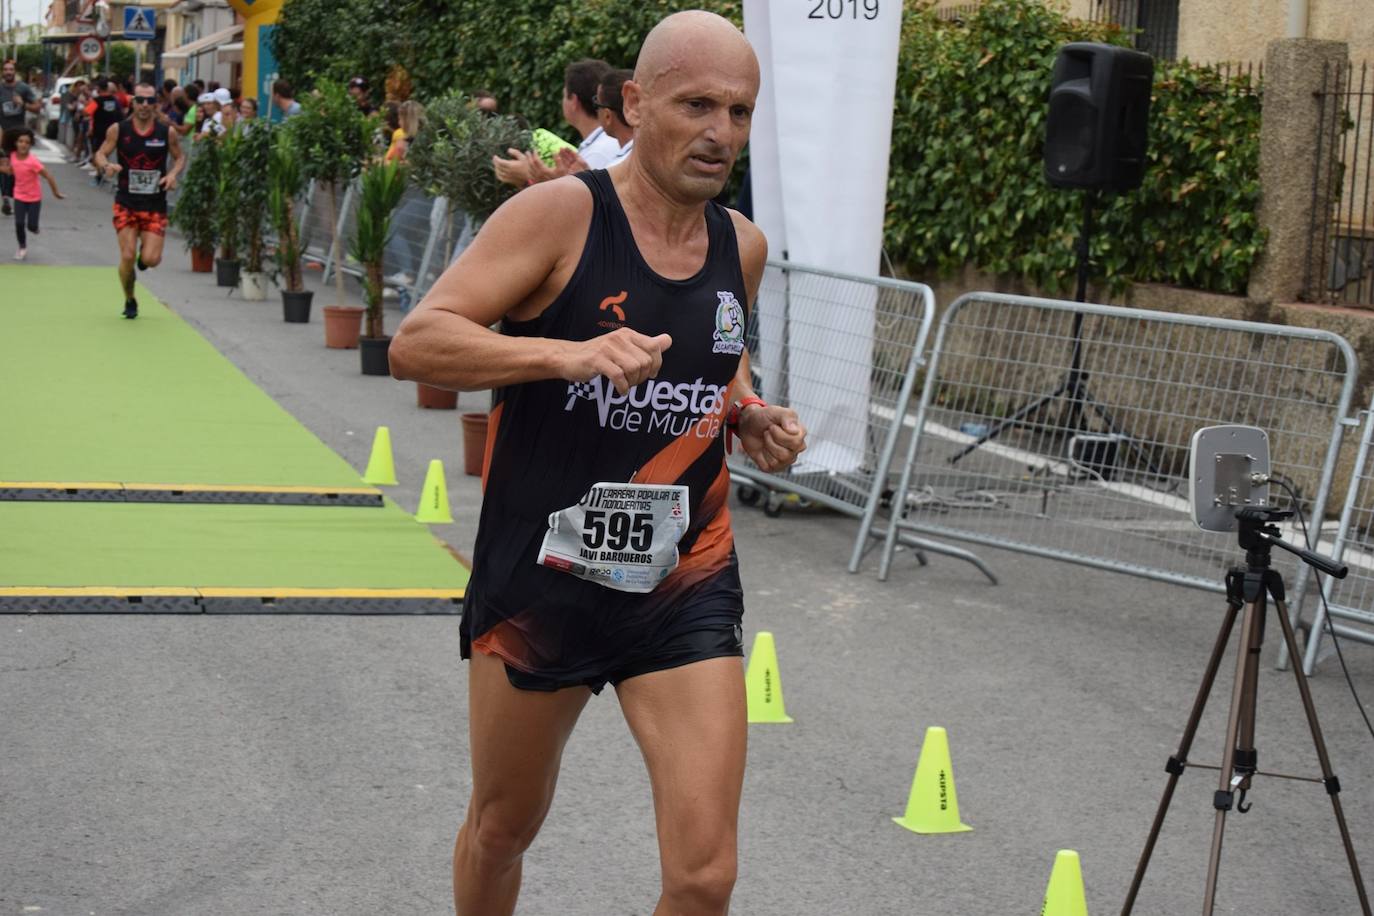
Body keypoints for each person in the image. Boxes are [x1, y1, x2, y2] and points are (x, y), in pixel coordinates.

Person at [389, 12, 806, 914]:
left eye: (739, 113)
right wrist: (563, 354)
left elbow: (714, 362)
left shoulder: (743, 245)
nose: (720, 133)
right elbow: (418, 342)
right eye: (698, 105)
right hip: (545, 580)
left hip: (683, 580)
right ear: (636, 102)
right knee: (503, 828)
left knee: (705, 876)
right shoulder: (559, 214)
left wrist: (748, 413)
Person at [93, 81, 185, 319]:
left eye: (150, 101)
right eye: (140, 100)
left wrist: (172, 175)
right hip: (126, 202)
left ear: (156, 104)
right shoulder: (119, 129)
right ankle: (130, 299)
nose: (145, 105)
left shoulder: (167, 132)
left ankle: (144, 258)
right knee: (126, 255)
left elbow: (179, 157)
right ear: (133, 102)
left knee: (151, 259)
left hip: (155, 205)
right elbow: (100, 153)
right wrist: (106, 165)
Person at [493, 59, 619, 187]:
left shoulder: (596, 153)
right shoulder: (602, 144)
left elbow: (580, 203)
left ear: (574, 101)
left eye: (564, 95)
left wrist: (530, 175)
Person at [0, 127, 64, 260]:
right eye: (20, 141)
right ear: (15, 143)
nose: (23, 144)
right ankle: (22, 247)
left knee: (31, 226)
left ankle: (35, 228)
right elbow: (11, 170)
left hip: (34, 198)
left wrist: (56, 192)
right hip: (19, 196)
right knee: (19, 223)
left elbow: (48, 176)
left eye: (27, 142)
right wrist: (4, 169)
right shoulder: (12, 156)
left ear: (30, 145)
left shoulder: (33, 161)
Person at [1, 58, 42, 216]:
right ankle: (5, 198)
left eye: (11, 70)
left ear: (15, 72)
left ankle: (14, 195)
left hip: (20, 137)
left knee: (16, 167)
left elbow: (38, 108)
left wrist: (22, 104)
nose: (8, 72)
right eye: (5, 70)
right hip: (3, 133)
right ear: (2, 72)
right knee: (4, 166)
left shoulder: (23, 88)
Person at [85, 78, 126, 187]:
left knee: (98, 153)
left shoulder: (96, 101)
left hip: (99, 132)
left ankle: (99, 175)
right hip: (114, 132)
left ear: (98, 88)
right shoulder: (115, 100)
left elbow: (86, 112)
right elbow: (121, 115)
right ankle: (110, 175)